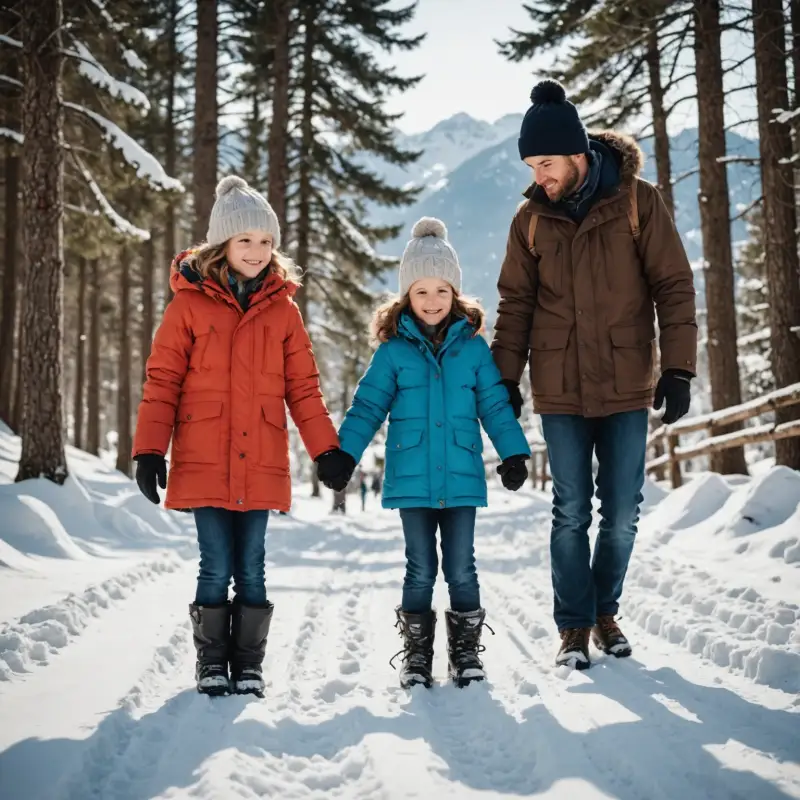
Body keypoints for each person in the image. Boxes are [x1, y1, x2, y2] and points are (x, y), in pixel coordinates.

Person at [491, 80, 697, 670]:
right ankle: (575, 625)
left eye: (547, 163)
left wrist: (679, 366)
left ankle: (606, 610)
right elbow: (515, 305)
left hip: (627, 378)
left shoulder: (638, 201)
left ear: (579, 154)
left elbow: (673, 285)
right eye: (532, 165)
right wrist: (506, 379)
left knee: (624, 509)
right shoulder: (529, 219)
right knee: (570, 509)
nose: (540, 175)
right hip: (559, 385)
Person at [132, 176, 353, 696]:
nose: (257, 252)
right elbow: (162, 381)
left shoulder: (283, 311)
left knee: (252, 564)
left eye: (266, 242)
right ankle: (212, 663)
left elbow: (303, 387)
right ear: (222, 245)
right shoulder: (187, 306)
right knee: (215, 563)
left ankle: (248, 665)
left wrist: (326, 448)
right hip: (204, 456)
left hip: (260, 459)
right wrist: (148, 449)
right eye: (246, 240)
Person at [323, 217, 531, 689]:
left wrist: (513, 452)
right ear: (406, 297)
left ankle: (465, 653)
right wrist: (344, 454)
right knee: (420, 567)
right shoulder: (393, 352)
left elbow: (495, 405)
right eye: (422, 292)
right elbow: (368, 406)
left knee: (461, 566)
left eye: (442, 291)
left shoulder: (473, 350)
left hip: (460, 476)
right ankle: (418, 656)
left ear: (455, 294)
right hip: (413, 477)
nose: (433, 301)